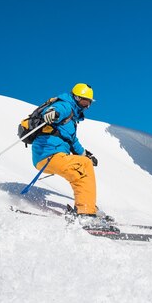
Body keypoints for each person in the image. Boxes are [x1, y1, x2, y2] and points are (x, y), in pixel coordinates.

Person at [31, 83, 107, 227]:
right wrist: (53, 113)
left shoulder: (71, 120)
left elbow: (72, 141)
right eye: (84, 102)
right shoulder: (66, 106)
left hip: (51, 156)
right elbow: (55, 110)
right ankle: (85, 214)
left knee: (82, 166)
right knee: (84, 166)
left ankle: (87, 206)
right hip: (49, 154)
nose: (86, 106)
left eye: (89, 103)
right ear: (77, 98)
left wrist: (85, 154)